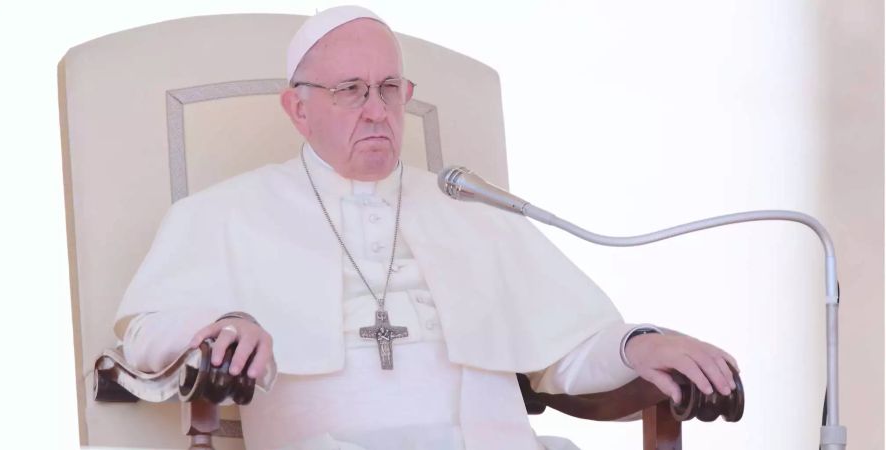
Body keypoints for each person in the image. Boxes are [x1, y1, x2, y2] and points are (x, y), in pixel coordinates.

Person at [115, 5, 739, 450]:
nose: (378, 110)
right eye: (351, 90)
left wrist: (640, 345)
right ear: (297, 107)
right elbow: (144, 335)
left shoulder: (470, 206)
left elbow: (567, 349)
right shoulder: (225, 213)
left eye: (390, 88)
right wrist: (221, 328)